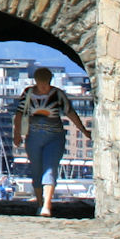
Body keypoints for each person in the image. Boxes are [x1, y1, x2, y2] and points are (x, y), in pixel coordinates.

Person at [11, 66, 90, 217]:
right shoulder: (28, 93)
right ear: (36, 81)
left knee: (50, 168)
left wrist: (84, 130)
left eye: (46, 83)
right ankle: (40, 203)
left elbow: (70, 112)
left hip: (54, 137)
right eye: (41, 83)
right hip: (33, 137)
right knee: (37, 170)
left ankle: (47, 205)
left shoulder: (57, 94)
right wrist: (17, 134)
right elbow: (19, 114)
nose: (43, 87)